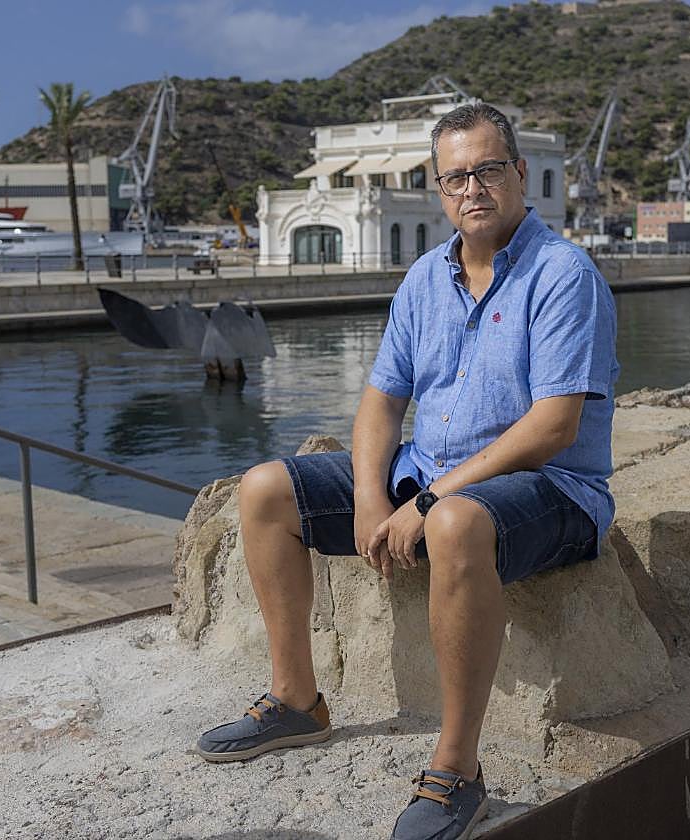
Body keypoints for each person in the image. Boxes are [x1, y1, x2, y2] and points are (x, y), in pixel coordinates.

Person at [196, 102, 619, 840]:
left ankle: (457, 769)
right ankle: (298, 700)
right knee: (267, 488)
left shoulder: (562, 274)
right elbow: (382, 400)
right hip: (432, 473)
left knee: (454, 522)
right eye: (455, 177)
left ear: (521, 175)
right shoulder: (426, 276)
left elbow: (554, 426)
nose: (472, 189)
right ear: (438, 188)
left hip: (552, 491)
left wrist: (426, 499)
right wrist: (368, 496)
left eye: (488, 170)